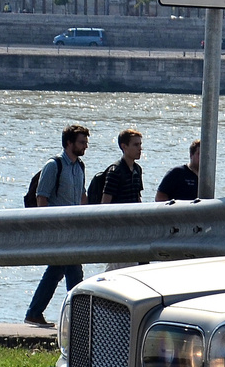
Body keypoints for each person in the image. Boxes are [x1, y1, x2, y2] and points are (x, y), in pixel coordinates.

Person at [24, 124, 89, 327]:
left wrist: (88, 219)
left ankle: (35, 312)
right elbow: (41, 196)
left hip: (74, 229)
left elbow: (82, 195)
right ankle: (79, 321)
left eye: (86, 142)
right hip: (58, 229)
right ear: (69, 143)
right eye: (81, 142)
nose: (85, 146)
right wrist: (47, 226)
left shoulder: (80, 166)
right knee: (72, 272)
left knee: (59, 271)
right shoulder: (54, 165)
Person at [100, 129, 144, 204]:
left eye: (140, 144)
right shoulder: (115, 171)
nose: (140, 148)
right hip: (118, 214)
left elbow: (137, 197)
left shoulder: (137, 169)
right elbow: (105, 202)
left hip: (133, 213)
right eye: (136, 145)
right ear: (124, 146)